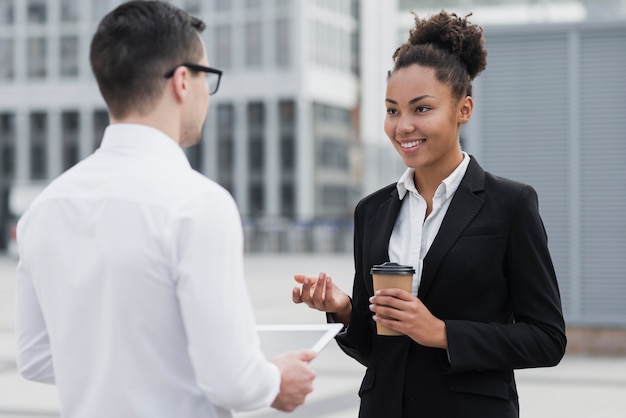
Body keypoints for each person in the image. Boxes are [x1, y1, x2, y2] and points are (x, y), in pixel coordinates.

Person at [15, 2, 316, 418]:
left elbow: (33, 358)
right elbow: (233, 382)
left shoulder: (44, 209)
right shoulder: (198, 205)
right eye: (206, 77)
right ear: (181, 81)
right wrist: (277, 379)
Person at [292, 10, 566, 418]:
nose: (403, 126)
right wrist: (344, 308)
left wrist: (442, 333)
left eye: (421, 109)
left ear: (464, 109)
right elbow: (375, 347)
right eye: (392, 110)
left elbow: (546, 339)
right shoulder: (372, 211)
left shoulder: (511, 205)